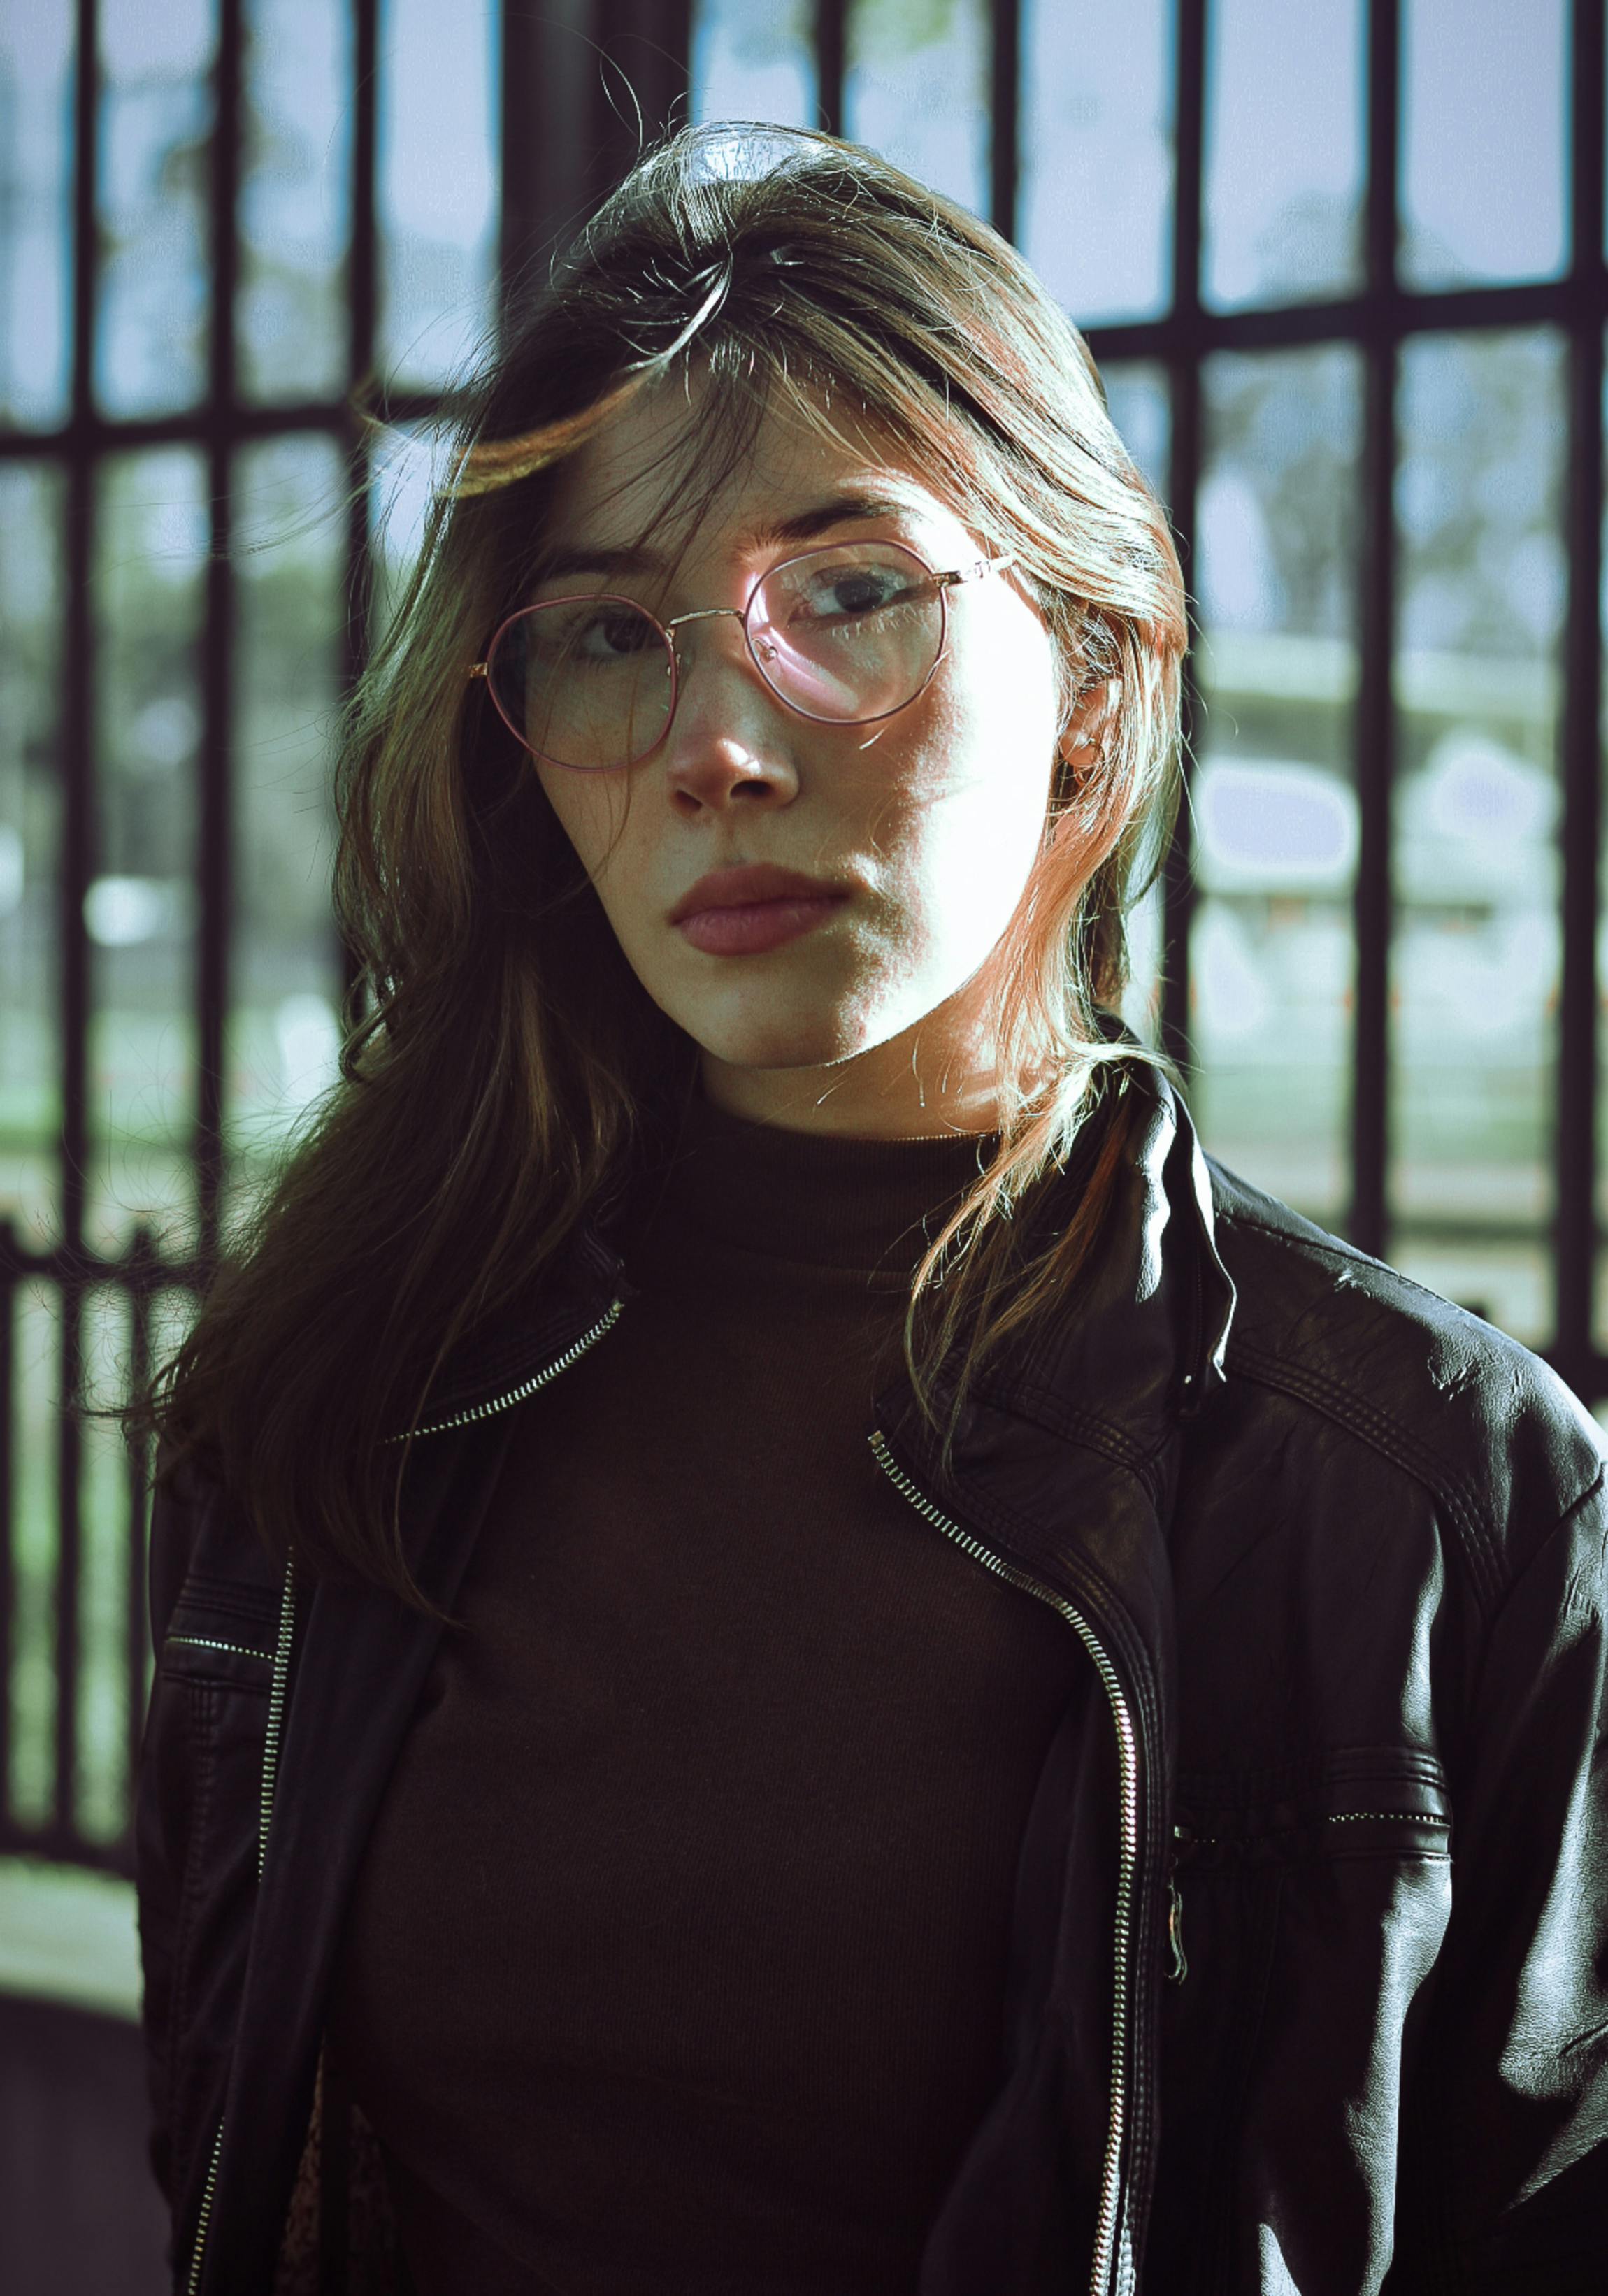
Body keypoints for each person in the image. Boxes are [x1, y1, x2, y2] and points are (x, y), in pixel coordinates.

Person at [133, 122, 1608, 2296]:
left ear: (1093, 680)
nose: (719, 739)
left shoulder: (1428, 1500)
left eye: (848, 592)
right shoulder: (332, 1396)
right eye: (614, 632)